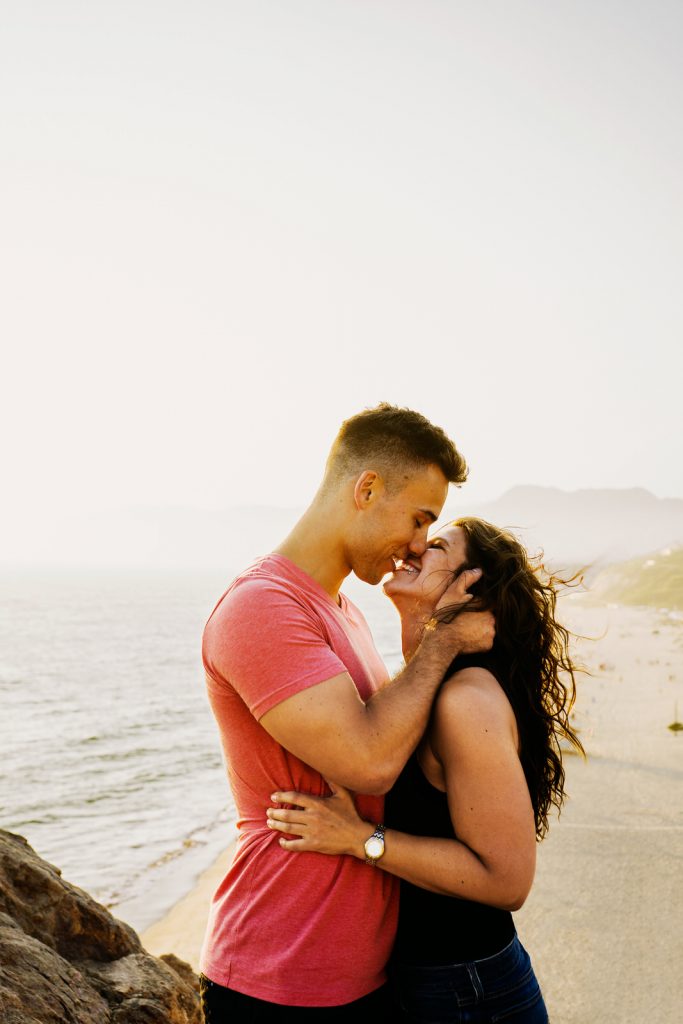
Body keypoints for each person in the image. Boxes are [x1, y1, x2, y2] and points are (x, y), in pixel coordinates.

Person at [199, 405, 496, 1020]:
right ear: (366, 488)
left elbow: (393, 728)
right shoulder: (262, 607)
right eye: (418, 518)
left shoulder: (342, 608)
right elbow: (371, 762)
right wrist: (442, 642)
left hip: (358, 971)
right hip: (278, 970)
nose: (419, 544)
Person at [267, 517, 585, 1023]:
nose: (412, 547)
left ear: (471, 589)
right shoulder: (420, 686)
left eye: (436, 545)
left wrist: (360, 838)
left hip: (470, 989)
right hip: (425, 981)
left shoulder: (465, 701)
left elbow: (508, 881)